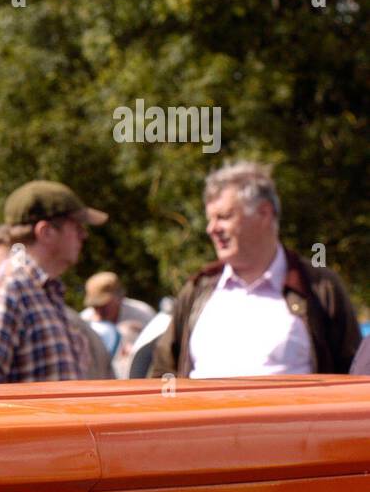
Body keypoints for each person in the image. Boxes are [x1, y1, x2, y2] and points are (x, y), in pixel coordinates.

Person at [148, 161, 359, 378]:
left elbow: (355, 374)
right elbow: (162, 373)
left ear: (264, 213)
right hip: (201, 411)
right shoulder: (197, 289)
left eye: (223, 216)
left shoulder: (319, 288)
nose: (211, 229)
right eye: (210, 219)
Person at [0, 181, 107, 383]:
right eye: (76, 227)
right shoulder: (3, 288)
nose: (83, 235)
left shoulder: (42, 291)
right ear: (46, 232)